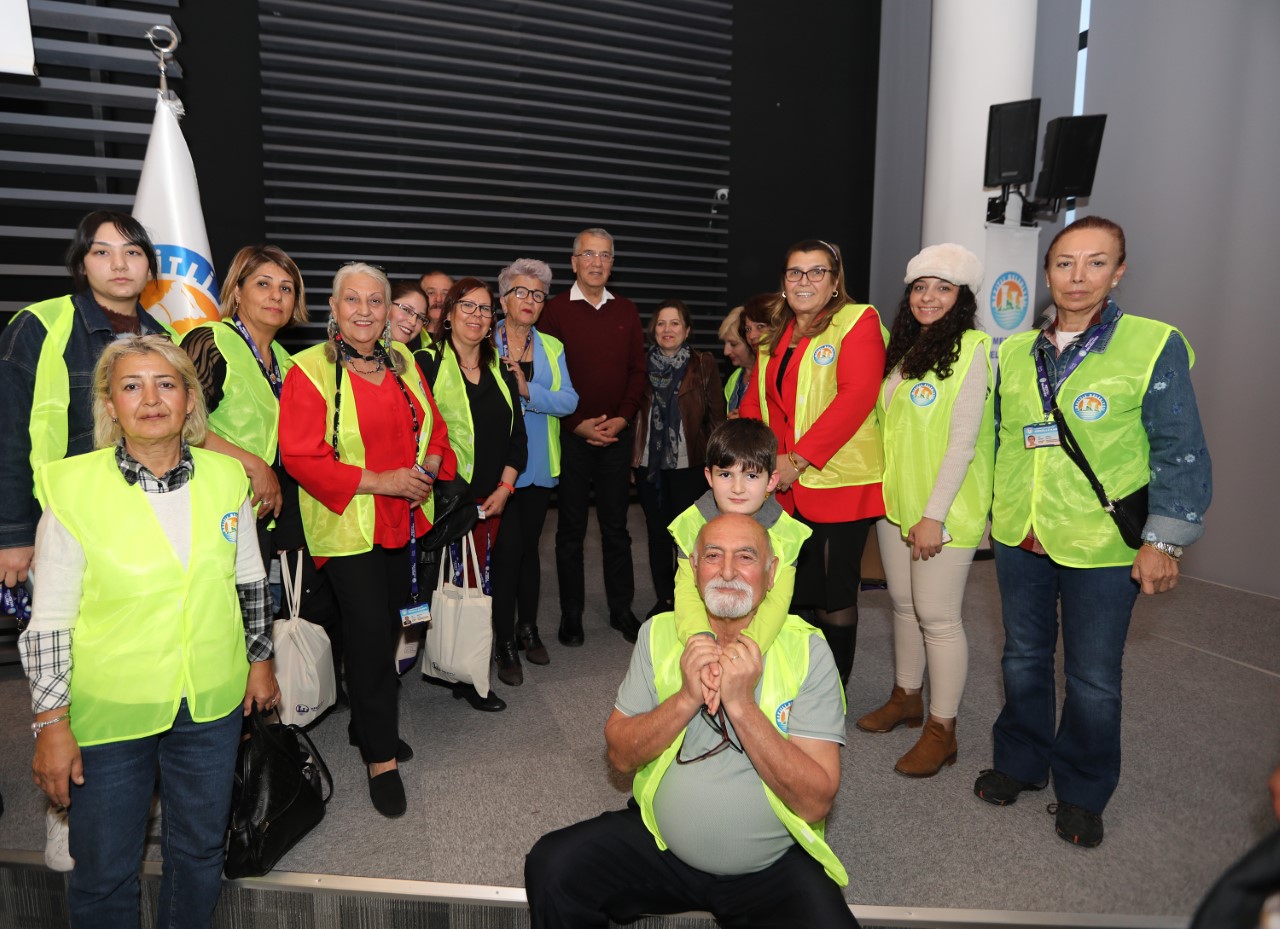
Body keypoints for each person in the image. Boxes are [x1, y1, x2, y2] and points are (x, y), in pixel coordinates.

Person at [19, 334, 278, 928]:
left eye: (167, 383)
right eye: (131, 385)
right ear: (110, 405)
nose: (151, 398)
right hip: (111, 709)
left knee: (200, 853)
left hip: (210, 701)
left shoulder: (225, 477)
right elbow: (51, 619)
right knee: (105, 870)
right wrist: (51, 722)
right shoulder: (73, 487)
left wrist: (259, 662)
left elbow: (248, 581)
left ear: (190, 400)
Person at [975, 216, 1212, 848]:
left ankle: (1082, 788)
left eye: (1095, 263)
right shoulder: (1016, 351)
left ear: (1119, 271)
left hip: (1104, 544)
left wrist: (1163, 542)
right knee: (1022, 656)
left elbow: (1179, 448)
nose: (1077, 277)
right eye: (1064, 263)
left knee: (1093, 676)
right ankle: (1022, 761)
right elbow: (1004, 439)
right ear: (1046, 271)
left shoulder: (1152, 343)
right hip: (1021, 534)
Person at [524, 513, 856, 929]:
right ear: (694, 568)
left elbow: (815, 801)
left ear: (772, 573)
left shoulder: (807, 650)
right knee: (553, 866)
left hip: (772, 868)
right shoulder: (659, 634)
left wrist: (741, 705)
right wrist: (686, 697)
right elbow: (620, 756)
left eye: (746, 557)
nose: (729, 571)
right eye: (713, 556)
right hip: (663, 848)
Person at [0, 209, 169, 872]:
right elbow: (11, 432)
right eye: (104, 252)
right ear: (83, 264)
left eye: (133, 252)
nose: (121, 263)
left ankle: (134, 792)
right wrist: (14, 533)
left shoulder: (162, 337)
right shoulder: (41, 326)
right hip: (63, 528)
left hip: (145, 530)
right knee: (67, 672)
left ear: (149, 267)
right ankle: (62, 809)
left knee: (133, 666)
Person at [280, 262, 452, 817]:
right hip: (347, 527)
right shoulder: (309, 370)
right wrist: (385, 482)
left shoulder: (402, 364)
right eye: (351, 300)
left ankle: (364, 723)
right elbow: (302, 456)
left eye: (375, 301)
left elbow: (435, 428)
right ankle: (381, 757)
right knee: (374, 635)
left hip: (400, 521)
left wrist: (424, 467)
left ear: (389, 311)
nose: (364, 310)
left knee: (381, 634)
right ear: (332, 308)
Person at [856, 244, 993, 779]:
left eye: (942, 288)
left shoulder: (975, 348)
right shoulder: (904, 351)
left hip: (943, 509)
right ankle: (907, 697)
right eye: (919, 287)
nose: (928, 297)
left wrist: (934, 514)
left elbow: (962, 443)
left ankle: (943, 728)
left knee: (938, 617)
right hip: (898, 505)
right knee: (903, 605)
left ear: (961, 298)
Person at [738, 239, 887, 686]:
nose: (804, 281)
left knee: (832, 596)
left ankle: (833, 693)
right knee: (791, 592)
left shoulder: (857, 321)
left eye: (816, 272)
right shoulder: (776, 333)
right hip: (782, 484)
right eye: (794, 273)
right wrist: (752, 462)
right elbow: (758, 403)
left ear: (835, 280)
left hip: (837, 481)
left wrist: (797, 460)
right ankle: (797, 684)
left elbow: (856, 397)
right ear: (783, 283)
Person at [416, 277, 527, 703]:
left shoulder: (500, 369)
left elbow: (519, 438)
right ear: (448, 314)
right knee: (436, 587)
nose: (478, 316)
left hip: (493, 499)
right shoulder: (424, 363)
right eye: (468, 306)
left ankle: (471, 675)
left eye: (485, 310)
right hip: (443, 502)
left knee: (480, 589)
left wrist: (506, 486)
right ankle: (412, 667)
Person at [538, 227, 646, 647]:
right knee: (570, 530)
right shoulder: (554, 311)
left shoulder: (628, 311)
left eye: (605, 255)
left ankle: (621, 608)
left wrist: (621, 419)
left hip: (616, 436)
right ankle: (571, 614)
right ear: (574, 262)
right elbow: (547, 376)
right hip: (571, 435)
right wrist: (577, 423)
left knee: (617, 529)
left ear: (612, 263)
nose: (597, 262)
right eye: (588, 254)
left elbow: (638, 372)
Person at [667, 420, 811, 710]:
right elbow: (686, 596)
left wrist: (739, 654)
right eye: (725, 474)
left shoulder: (787, 533)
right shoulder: (689, 524)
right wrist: (704, 648)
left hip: (759, 639)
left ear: (772, 481)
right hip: (701, 634)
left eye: (751, 476)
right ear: (709, 476)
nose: (737, 488)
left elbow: (777, 604)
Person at [489, 258, 578, 674]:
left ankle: (528, 628)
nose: (529, 301)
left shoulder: (553, 346)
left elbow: (569, 402)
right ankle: (503, 639)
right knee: (506, 553)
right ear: (503, 298)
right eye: (521, 292)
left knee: (529, 551)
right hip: (499, 465)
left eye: (538, 295)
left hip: (539, 464)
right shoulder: (484, 340)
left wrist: (529, 389)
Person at [633, 298, 725, 619]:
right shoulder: (640, 366)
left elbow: (716, 416)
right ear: (653, 330)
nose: (667, 329)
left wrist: (718, 465)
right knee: (657, 532)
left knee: (689, 535)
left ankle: (689, 594)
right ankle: (666, 599)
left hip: (691, 465)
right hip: (650, 467)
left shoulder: (703, 364)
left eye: (674, 323)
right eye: (661, 323)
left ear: (686, 330)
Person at [720, 307, 751, 417]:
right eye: (725, 344)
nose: (726, 351)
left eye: (733, 344)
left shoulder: (772, 377)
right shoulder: (734, 378)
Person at [388, 280, 430, 345]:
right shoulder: (368, 350)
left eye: (420, 317)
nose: (413, 322)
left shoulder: (419, 354)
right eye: (407, 310)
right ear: (387, 305)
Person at [418, 269, 453, 342]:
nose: (439, 299)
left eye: (445, 294)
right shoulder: (407, 338)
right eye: (431, 293)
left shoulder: (462, 340)